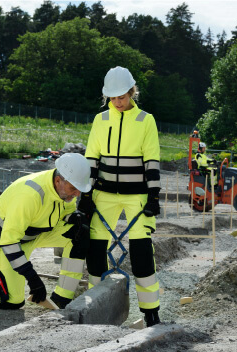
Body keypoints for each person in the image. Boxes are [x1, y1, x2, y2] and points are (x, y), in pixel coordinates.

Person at [0, 154, 92, 309]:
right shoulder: (30, 195)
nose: (77, 194)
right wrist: (32, 278)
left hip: (34, 234)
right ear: (58, 181)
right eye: (73, 188)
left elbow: (65, 213)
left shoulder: (64, 191)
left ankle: (62, 298)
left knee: (80, 233)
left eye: (79, 189)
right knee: (9, 301)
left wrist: (74, 218)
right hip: (0, 240)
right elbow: (9, 241)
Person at [78, 66, 163, 327]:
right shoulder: (100, 119)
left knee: (141, 251)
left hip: (137, 195)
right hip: (104, 193)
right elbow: (92, 157)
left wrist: (154, 195)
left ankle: (151, 311)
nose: (118, 102)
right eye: (113, 98)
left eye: (122, 97)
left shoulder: (146, 120)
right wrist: (86, 194)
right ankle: (96, 303)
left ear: (132, 92)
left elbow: (151, 159)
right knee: (95, 247)